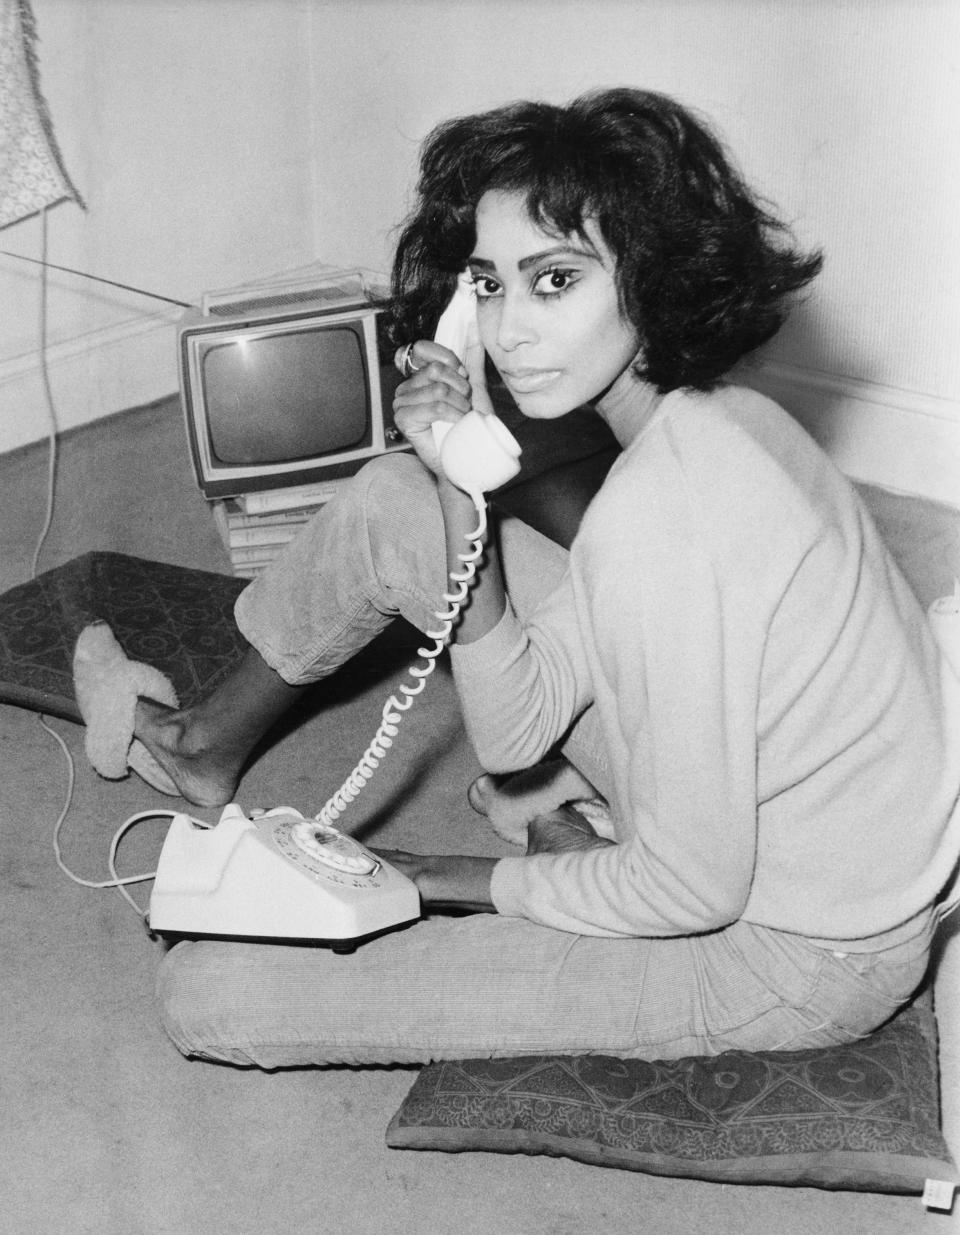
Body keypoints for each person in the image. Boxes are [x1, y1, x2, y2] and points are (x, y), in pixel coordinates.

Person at [137, 88, 960, 1068]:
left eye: (555, 281)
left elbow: (695, 889)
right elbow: (518, 728)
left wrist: (438, 874)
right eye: (489, 285)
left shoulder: (663, 522)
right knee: (403, 500)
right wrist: (458, 494)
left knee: (209, 993)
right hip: (756, 809)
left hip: (796, 953)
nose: (509, 328)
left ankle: (575, 853)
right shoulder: (725, 422)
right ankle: (229, 748)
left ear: (652, 280)